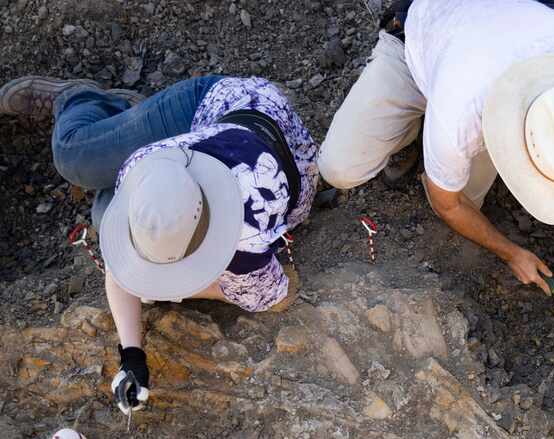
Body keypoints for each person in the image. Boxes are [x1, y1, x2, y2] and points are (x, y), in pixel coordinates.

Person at [0, 75, 318, 415]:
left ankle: (99, 110)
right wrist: (132, 357)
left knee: (87, 184)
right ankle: (106, 110)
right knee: (88, 181)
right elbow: (119, 268)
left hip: (255, 119)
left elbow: (281, 295)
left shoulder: (245, 244)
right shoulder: (147, 165)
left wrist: (180, 287)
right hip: (214, 116)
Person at [318, 0, 554, 295]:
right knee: (340, 168)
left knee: (470, 198)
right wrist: (511, 253)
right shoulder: (461, 118)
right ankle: (409, 133)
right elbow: (449, 206)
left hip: (473, 53)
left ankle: (432, 146)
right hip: (415, 40)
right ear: (516, 143)